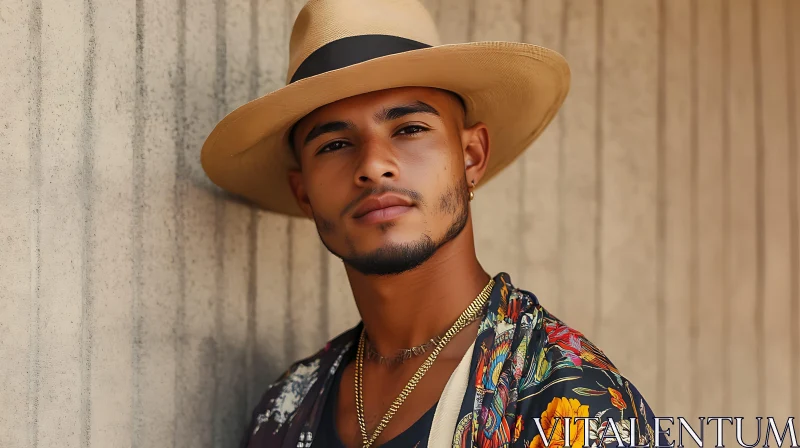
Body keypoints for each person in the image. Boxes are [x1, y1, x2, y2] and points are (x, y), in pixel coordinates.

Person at [201, 1, 664, 447]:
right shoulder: (286, 406)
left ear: (471, 156)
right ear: (304, 192)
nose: (374, 166)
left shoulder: (564, 399)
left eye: (409, 130)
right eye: (335, 145)